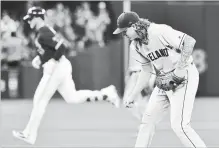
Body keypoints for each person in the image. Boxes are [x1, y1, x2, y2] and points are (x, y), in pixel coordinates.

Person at [12, 7, 120, 145]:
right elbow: (50, 49)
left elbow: (62, 48)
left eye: (31, 18)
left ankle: (29, 134)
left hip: (57, 68)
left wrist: (52, 61)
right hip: (60, 66)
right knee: (72, 98)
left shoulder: (44, 31)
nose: (29, 21)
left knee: (39, 100)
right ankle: (106, 94)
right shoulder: (44, 30)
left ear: (38, 18)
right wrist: (40, 58)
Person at [113, 11, 207, 148]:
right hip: (165, 81)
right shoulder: (136, 46)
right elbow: (146, 71)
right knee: (147, 121)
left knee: (180, 126)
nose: (123, 34)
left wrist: (180, 69)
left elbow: (189, 41)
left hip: (185, 77)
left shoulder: (158, 31)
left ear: (134, 26)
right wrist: (133, 94)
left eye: (125, 30)